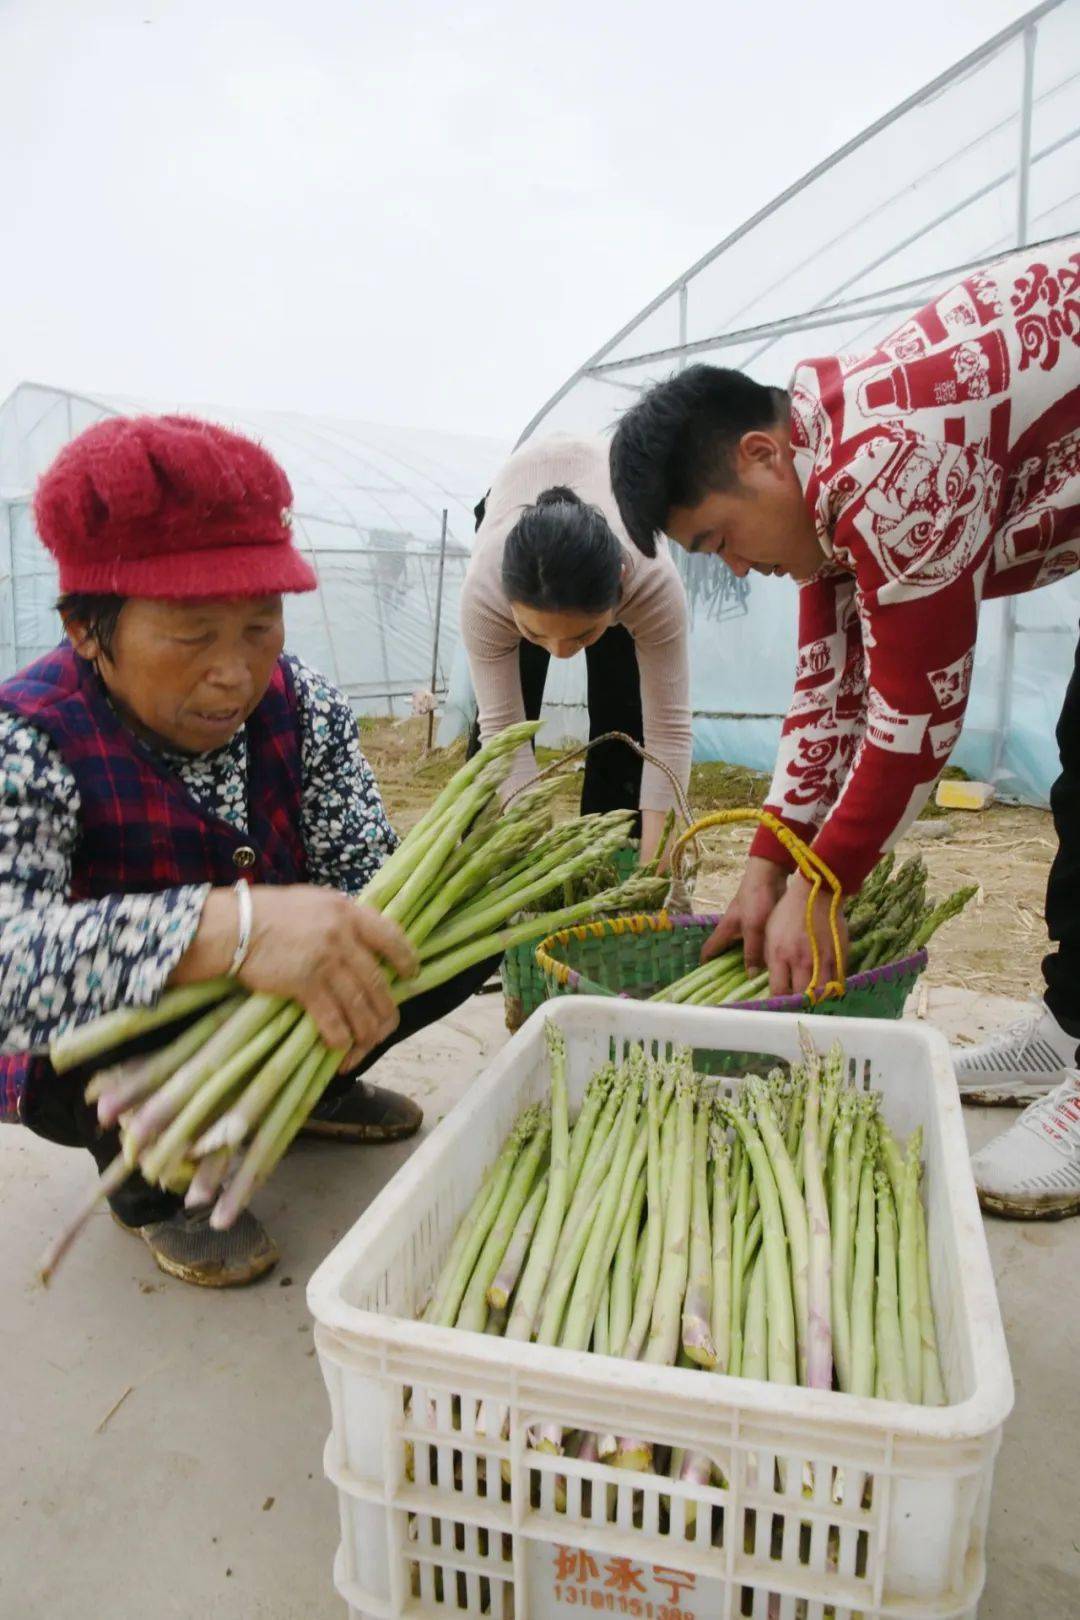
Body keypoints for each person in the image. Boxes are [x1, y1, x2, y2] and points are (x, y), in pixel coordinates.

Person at [608, 235, 1080, 1218]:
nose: (732, 569)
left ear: (762, 455)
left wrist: (826, 883)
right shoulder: (828, 467)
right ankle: (1069, 1026)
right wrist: (766, 865)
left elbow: (919, 710)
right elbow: (827, 700)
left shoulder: (885, 459)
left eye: (718, 540)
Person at [0, 414, 495, 1285]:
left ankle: (308, 1090)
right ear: (86, 628)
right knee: (88, 1040)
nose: (235, 672)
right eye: (193, 636)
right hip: (110, 1042)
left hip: (281, 1014)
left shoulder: (304, 707)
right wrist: (228, 931)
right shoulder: (29, 739)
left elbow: (366, 874)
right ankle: (154, 1187)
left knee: (447, 938)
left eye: (261, 627)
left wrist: (348, 932)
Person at [460, 434, 691, 865]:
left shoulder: (650, 579)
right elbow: (503, 729)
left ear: (620, 585)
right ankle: (483, 856)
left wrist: (659, 866)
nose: (561, 652)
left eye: (581, 636)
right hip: (517, 511)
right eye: (538, 634)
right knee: (505, 726)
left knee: (626, 714)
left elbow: (670, 733)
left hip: (607, 523)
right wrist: (536, 867)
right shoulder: (485, 591)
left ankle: (609, 856)